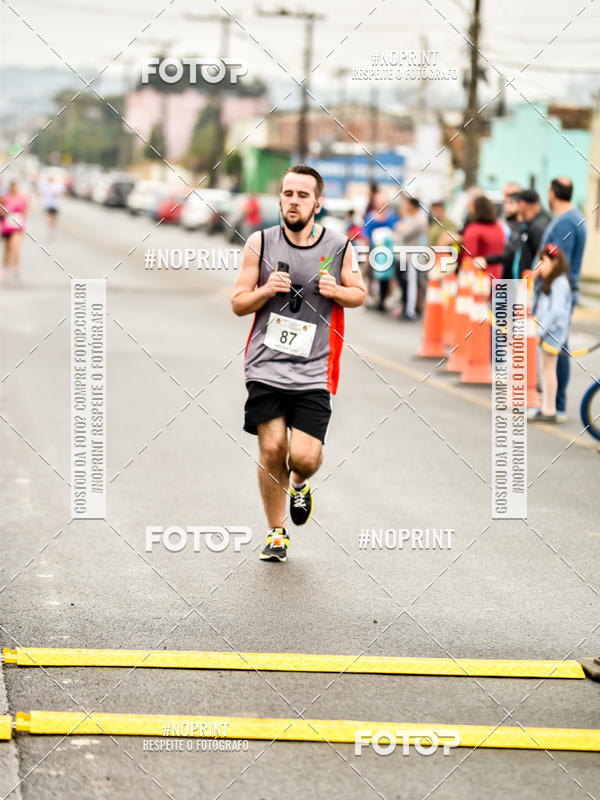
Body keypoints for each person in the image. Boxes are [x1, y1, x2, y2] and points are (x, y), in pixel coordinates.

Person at [231, 165, 366, 562]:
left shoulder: (339, 245)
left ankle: (300, 483)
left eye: (302, 195)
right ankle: (276, 533)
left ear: (317, 203)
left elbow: (359, 293)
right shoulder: (260, 243)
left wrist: (337, 290)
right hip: (266, 366)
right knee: (272, 448)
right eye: (288, 193)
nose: (293, 201)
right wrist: (263, 291)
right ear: (280, 198)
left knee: (302, 457)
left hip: (314, 369)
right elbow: (238, 303)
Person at [539, 177, 587, 422]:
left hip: (559, 294)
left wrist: (540, 278)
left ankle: (555, 406)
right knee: (558, 350)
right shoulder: (574, 217)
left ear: (552, 194)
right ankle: (553, 404)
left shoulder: (566, 222)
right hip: (565, 292)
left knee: (555, 351)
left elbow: (557, 261)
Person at [530, 243, 572, 423]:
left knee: (548, 370)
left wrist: (540, 331)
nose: (539, 265)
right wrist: (535, 276)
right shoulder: (551, 281)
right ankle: (547, 406)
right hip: (549, 330)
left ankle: (549, 409)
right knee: (545, 369)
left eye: (543, 261)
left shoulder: (560, 282)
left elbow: (556, 311)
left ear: (554, 262)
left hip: (554, 332)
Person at [486, 189, 551, 280]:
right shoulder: (529, 224)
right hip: (519, 283)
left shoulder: (538, 226)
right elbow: (512, 252)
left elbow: (543, 259)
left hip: (529, 285)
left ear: (523, 205)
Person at [362, 191, 399, 311]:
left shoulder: (393, 217)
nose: (382, 205)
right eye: (380, 203)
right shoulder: (370, 217)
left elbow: (397, 232)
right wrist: (366, 254)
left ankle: (389, 297)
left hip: (388, 252)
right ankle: (370, 297)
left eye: (384, 203)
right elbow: (366, 237)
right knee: (370, 274)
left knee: (389, 276)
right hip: (374, 251)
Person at [395, 195, 429, 319]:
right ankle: (406, 308)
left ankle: (410, 311)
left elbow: (403, 233)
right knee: (405, 283)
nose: (405, 207)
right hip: (405, 256)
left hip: (412, 256)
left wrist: (400, 229)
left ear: (412, 206)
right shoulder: (411, 218)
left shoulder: (419, 219)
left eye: (407, 204)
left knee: (411, 284)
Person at [461, 195, 505, 279]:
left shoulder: (473, 229)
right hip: (498, 275)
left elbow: (469, 257)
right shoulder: (499, 227)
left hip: (480, 278)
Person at [1, 180, 27, 283]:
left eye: (15, 187)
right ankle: (5, 270)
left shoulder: (22, 198)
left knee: (15, 247)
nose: (13, 189)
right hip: (6, 226)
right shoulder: (4, 197)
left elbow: (25, 211)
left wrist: (23, 222)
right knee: (7, 250)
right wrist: (5, 212)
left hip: (17, 227)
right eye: (12, 187)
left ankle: (15, 268)